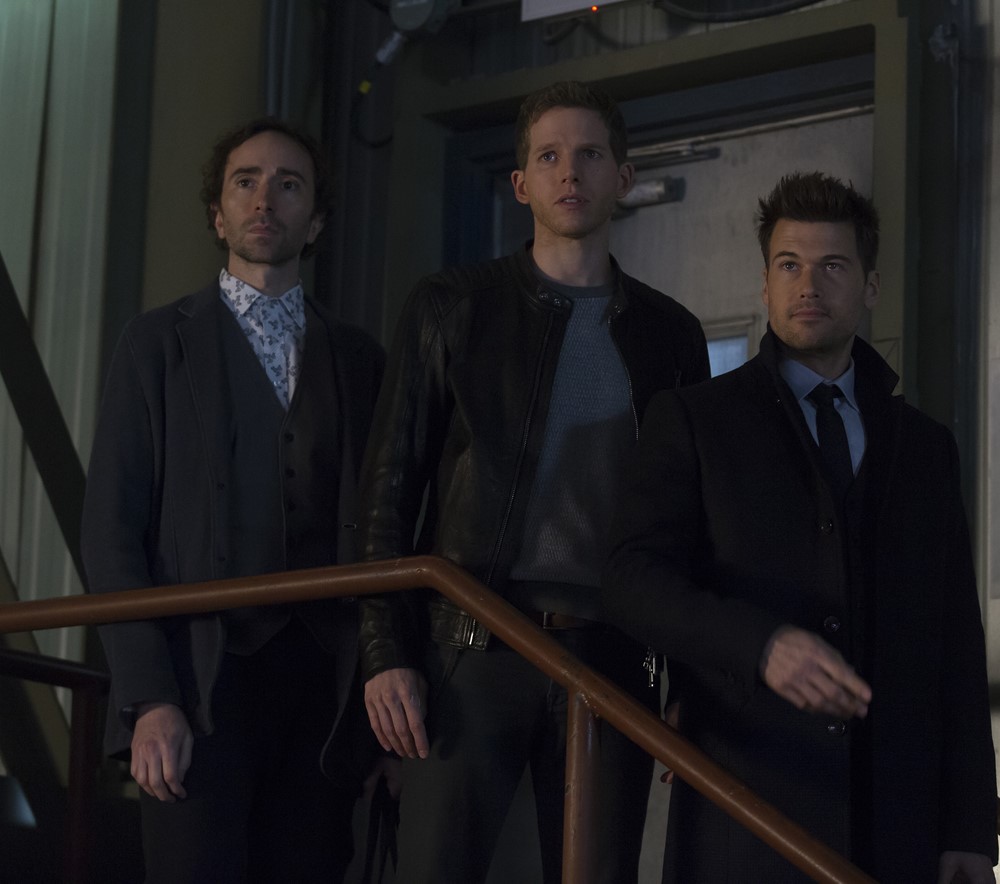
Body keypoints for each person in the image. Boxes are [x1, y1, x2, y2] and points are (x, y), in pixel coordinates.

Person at [357, 80, 710, 883]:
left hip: (611, 655)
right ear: (520, 184)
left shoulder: (671, 334)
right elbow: (387, 492)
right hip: (472, 644)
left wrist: (691, 677)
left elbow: (689, 522)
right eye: (548, 156)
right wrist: (385, 652)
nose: (569, 172)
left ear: (624, 177)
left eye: (589, 154)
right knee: (435, 872)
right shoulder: (452, 306)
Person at [604, 171, 997, 883]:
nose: (807, 285)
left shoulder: (925, 446)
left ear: (870, 287)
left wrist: (971, 825)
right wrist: (760, 645)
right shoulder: (695, 420)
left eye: (832, 266)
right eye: (788, 265)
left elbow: (957, 642)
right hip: (749, 803)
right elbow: (633, 581)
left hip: (897, 819)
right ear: (764, 285)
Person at [80, 118, 384, 883]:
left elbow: (389, 526)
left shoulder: (359, 359)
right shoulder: (155, 344)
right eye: (245, 182)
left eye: (289, 184)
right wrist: (149, 698)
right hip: (196, 684)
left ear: (316, 220)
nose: (264, 199)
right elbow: (111, 533)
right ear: (218, 215)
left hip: (322, 687)